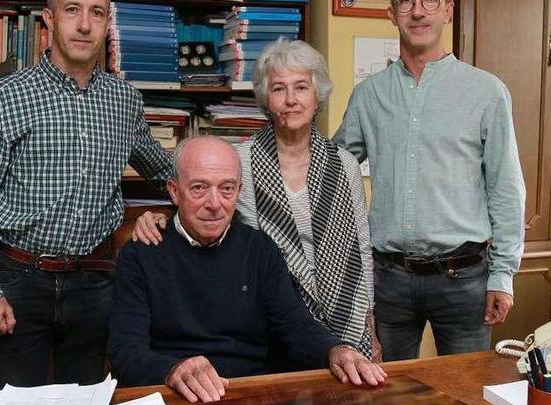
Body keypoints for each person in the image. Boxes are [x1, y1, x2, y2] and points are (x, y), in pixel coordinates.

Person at [0, 0, 173, 388]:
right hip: (17, 282)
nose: (85, 25)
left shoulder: (124, 100)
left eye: (97, 12)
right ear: (49, 19)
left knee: (88, 403)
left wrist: (220, 174)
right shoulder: (4, 98)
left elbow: (166, 172)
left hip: (95, 283)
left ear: (108, 23)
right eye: (72, 10)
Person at [133, 39, 379, 360]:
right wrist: (154, 217)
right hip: (274, 317)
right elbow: (199, 200)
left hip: (345, 312)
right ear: (265, 98)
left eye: (301, 87)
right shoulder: (242, 160)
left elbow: (360, 247)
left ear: (317, 94)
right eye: (278, 89)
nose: (291, 100)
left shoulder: (343, 163)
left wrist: (370, 326)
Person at [333, 0, 526, 361]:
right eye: (406, 0)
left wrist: (503, 275)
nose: (417, 10)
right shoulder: (369, 96)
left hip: (465, 279)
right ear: (391, 14)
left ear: (449, 10)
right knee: (391, 397)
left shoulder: (486, 93)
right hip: (389, 281)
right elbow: (333, 171)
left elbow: (506, 189)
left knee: (466, 397)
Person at [108, 136, 386, 403]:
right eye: (199, 188)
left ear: (239, 191)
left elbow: (295, 326)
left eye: (226, 188)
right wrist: (171, 370)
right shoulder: (141, 254)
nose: (214, 203)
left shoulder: (260, 250)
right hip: (174, 395)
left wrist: (335, 350)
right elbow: (125, 351)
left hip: (250, 396)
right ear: (174, 191)